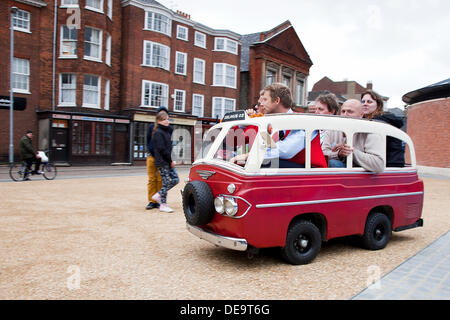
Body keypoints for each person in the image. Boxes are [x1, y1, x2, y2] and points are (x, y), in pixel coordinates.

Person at [231, 83, 327, 168]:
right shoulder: (270, 122)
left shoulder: (304, 122)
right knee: (257, 163)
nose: (261, 104)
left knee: (262, 163)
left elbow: (286, 150)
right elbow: (269, 147)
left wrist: (249, 156)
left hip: (313, 172)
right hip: (291, 168)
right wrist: (245, 124)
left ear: (277, 100)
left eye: (265, 99)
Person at [322, 99, 384, 173]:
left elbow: (378, 165)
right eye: (343, 111)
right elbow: (323, 154)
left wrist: (351, 151)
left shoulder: (371, 131)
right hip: (340, 171)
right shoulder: (331, 130)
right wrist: (338, 154)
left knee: (333, 163)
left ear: (361, 115)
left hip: (362, 175)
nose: (345, 115)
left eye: (350, 112)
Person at [361, 89, 405, 167]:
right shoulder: (365, 121)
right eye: (363, 101)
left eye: (369, 102)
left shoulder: (380, 122)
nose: (365, 104)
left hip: (390, 164)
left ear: (378, 105)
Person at [151, 109, 179, 213]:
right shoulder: (158, 133)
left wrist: (173, 158)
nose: (166, 121)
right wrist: (171, 160)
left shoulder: (167, 131)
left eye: (167, 119)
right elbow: (162, 150)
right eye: (163, 120)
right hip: (162, 162)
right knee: (166, 182)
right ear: (158, 121)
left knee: (175, 179)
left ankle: (159, 196)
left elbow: (170, 148)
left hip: (168, 160)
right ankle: (162, 204)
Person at [145, 107, 167, 210]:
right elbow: (148, 141)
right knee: (152, 179)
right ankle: (151, 201)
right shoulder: (151, 127)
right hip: (152, 157)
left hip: (162, 158)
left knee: (160, 180)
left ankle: (159, 201)